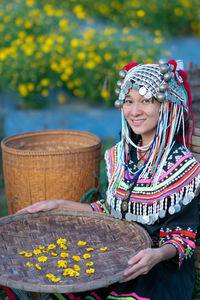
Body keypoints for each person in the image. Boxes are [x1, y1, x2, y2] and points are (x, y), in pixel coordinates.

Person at [17, 59, 200, 300]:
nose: (135, 111)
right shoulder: (120, 156)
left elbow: (183, 236)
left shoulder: (183, 168)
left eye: (146, 101)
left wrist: (156, 255)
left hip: (155, 269)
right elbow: (110, 210)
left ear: (167, 107)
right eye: (128, 101)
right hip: (115, 251)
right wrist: (59, 205)